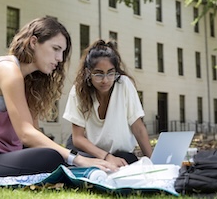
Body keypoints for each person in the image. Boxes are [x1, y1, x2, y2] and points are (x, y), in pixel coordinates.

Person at [0, 16, 117, 180]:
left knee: (51, 154)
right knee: (50, 157)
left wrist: (78, 158)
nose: (60, 58)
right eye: (55, 49)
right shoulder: (8, 70)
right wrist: (78, 159)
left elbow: (34, 136)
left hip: (5, 156)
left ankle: (92, 169)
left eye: (62, 52)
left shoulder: (28, 81)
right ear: (33, 42)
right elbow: (26, 134)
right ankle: (85, 170)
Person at [63, 39, 153, 167]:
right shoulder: (79, 90)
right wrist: (106, 157)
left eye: (110, 73)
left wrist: (154, 163)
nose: (105, 80)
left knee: (127, 161)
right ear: (88, 73)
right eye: (99, 74)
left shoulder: (124, 84)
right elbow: (78, 138)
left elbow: (138, 129)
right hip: (88, 152)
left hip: (119, 154)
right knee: (78, 163)